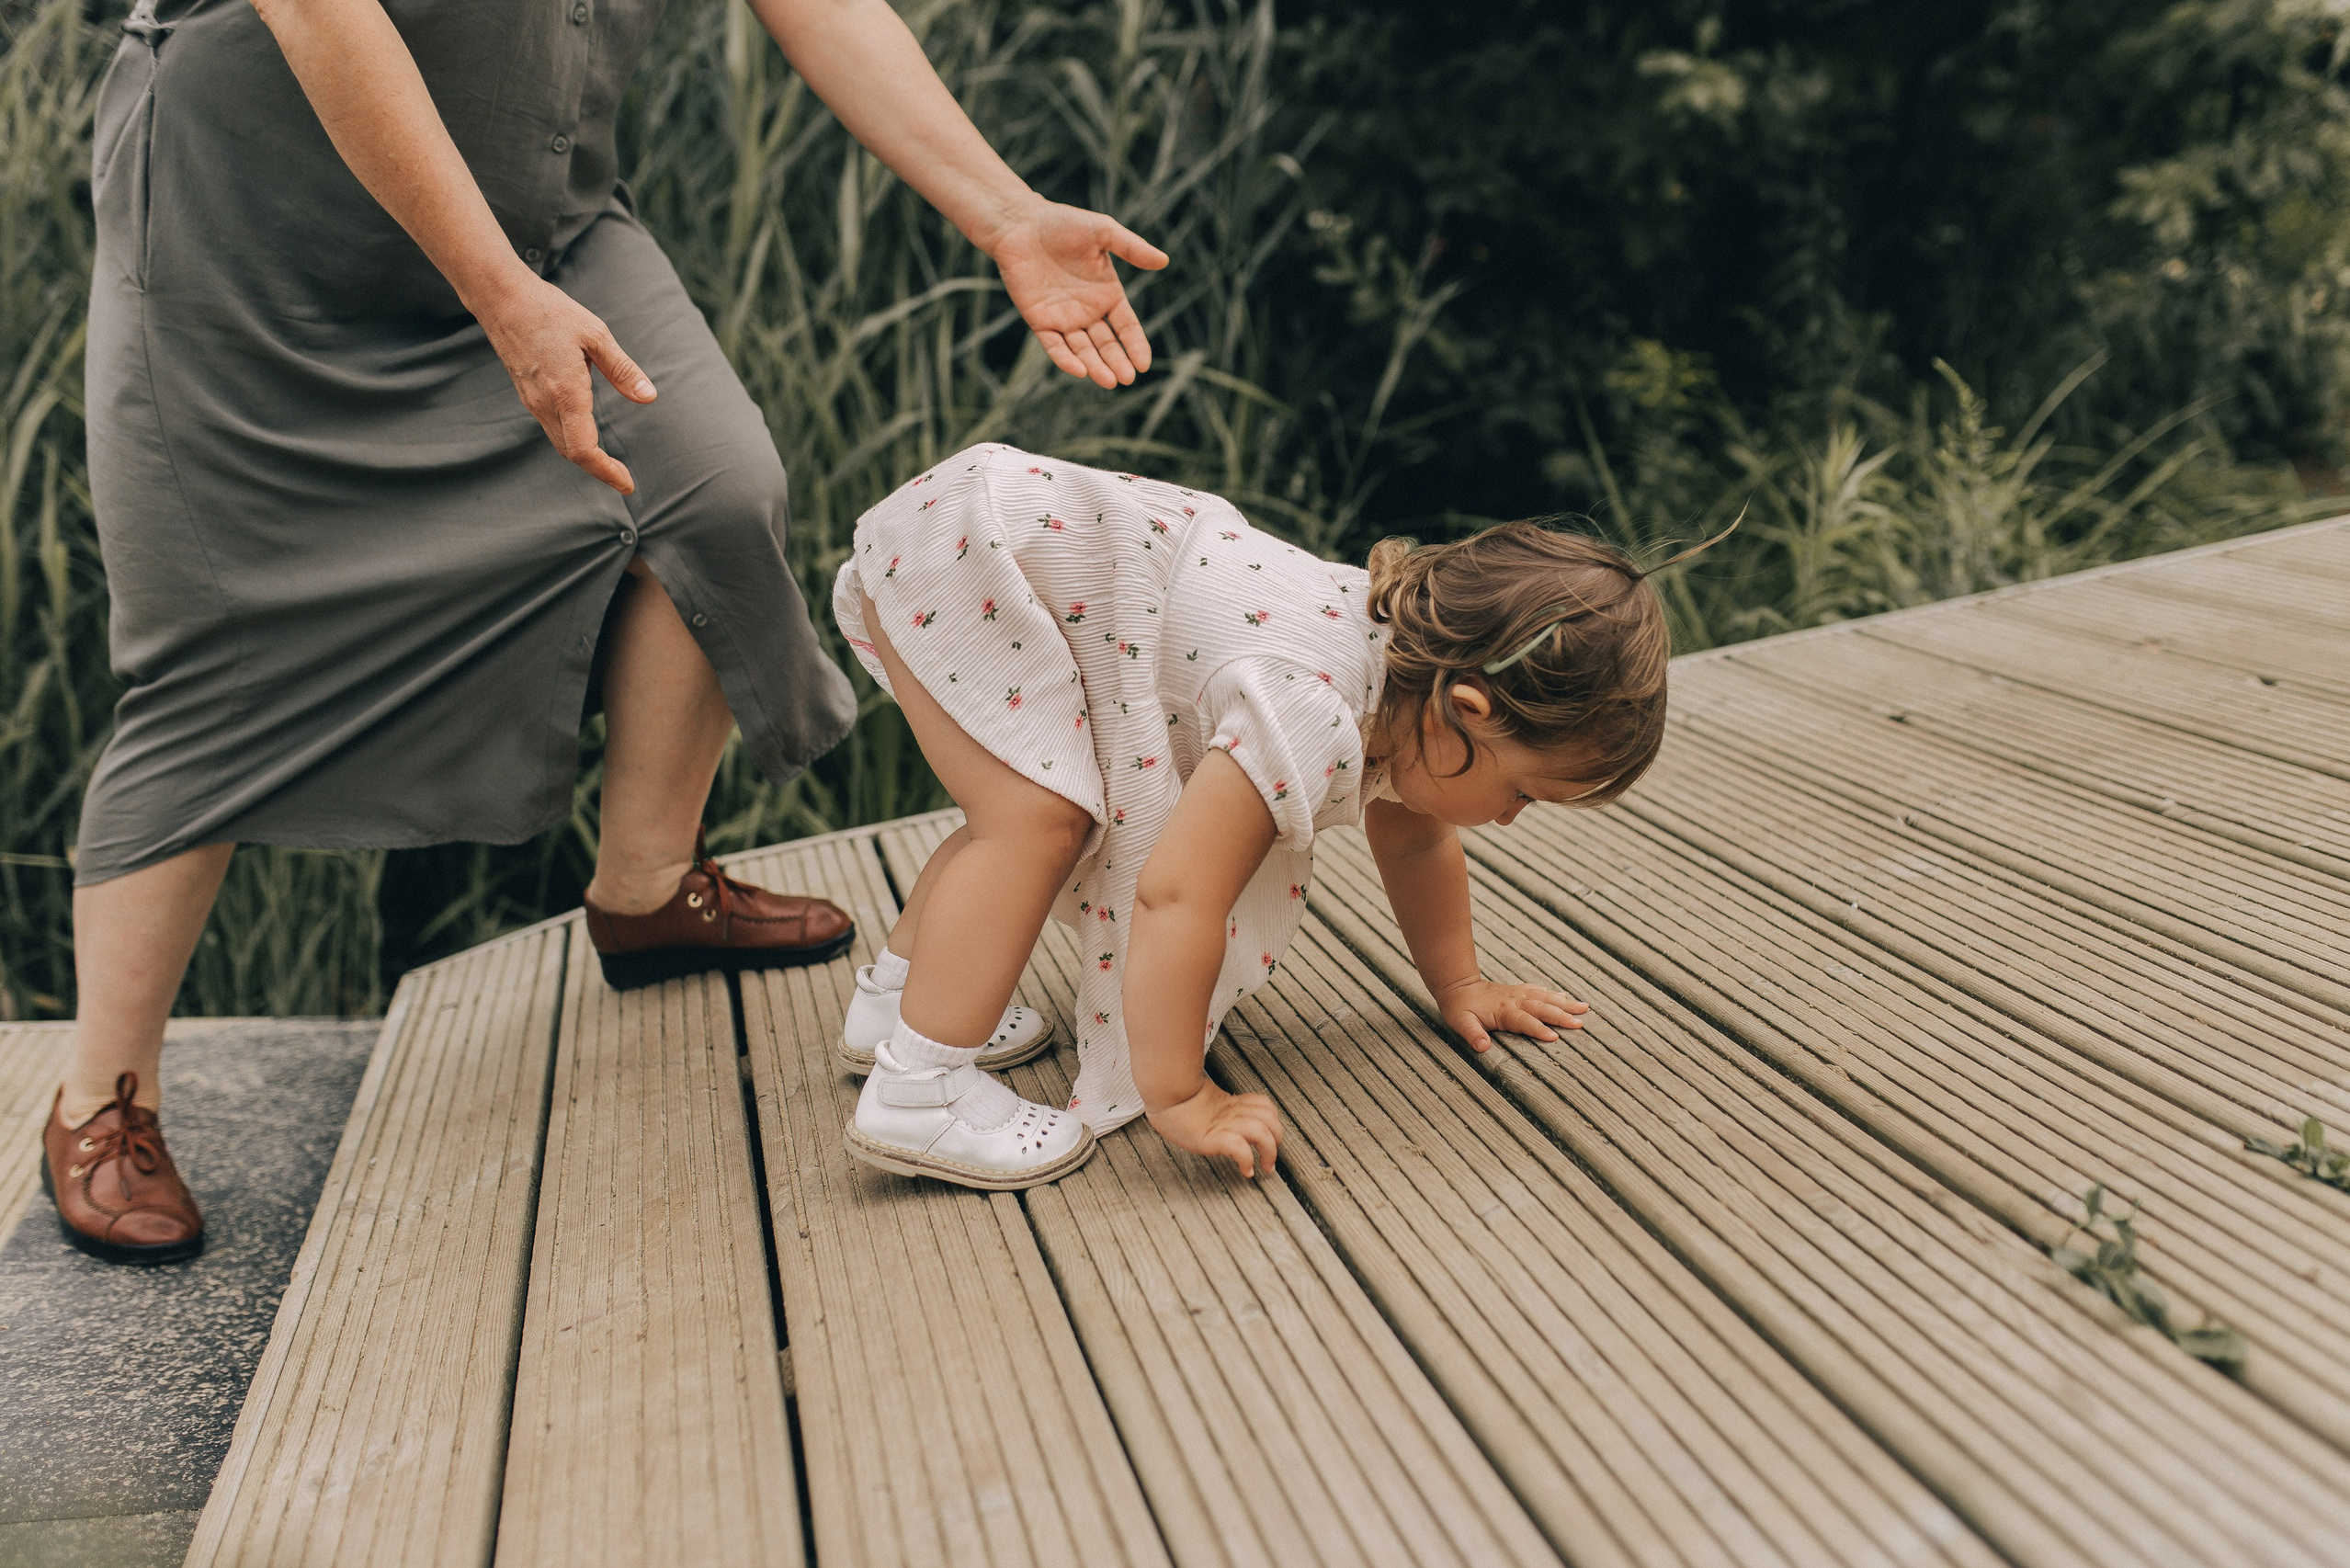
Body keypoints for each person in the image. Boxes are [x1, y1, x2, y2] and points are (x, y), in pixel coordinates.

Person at [45, 0, 1165, 1264]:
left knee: (705, 485)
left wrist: (1002, 209)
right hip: (260, 228)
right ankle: (103, 1096)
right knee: (217, 642)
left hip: (542, 210)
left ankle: (643, 893)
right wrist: (498, 297)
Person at [828, 444, 1673, 1189]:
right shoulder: (1310, 708)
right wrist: (1180, 1094)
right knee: (1036, 819)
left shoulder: (1403, 679)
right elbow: (1178, 897)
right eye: (1523, 793)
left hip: (996, 530)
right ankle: (918, 1089)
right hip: (983, 550)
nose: (1511, 820)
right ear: (1467, 709)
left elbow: (1415, 836)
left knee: (1024, 807)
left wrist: (1459, 984)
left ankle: (896, 1003)